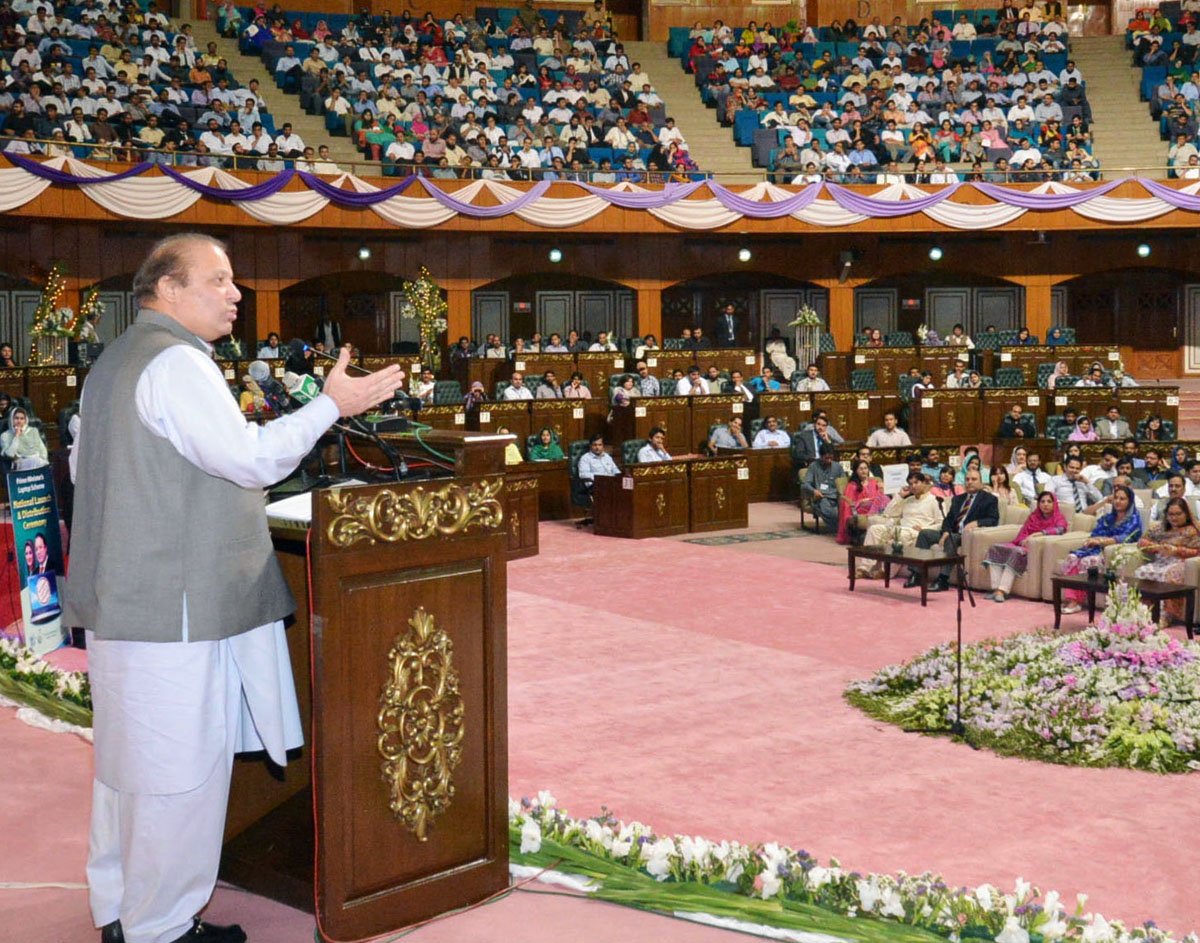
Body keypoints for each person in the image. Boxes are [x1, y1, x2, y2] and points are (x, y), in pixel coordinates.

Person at [66, 233, 404, 943]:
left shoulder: (114, 361)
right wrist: (329, 405)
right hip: (172, 611)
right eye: (217, 279)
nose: (236, 293)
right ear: (166, 288)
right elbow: (248, 459)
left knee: (128, 769)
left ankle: (123, 908)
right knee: (177, 773)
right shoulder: (178, 362)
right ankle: (160, 927)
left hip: (125, 600)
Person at [1057, 484, 1143, 614]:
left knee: (1088, 561)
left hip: (1111, 552)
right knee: (1072, 558)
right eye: (1116, 498)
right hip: (1096, 548)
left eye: (1122, 499)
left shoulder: (1134, 519)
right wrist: (1094, 540)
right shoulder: (1108, 517)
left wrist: (1102, 541)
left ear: (1130, 501)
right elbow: (1095, 533)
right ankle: (1071, 598)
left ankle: (1075, 601)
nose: (1118, 501)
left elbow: (1125, 537)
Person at [912, 466, 1000, 591]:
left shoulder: (989, 499)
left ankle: (943, 579)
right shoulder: (958, 499)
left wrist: (977, 522)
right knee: (925, 534)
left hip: (966, 535)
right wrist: (945, 532)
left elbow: (993, 520)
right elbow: (948, 519)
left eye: (974, 479)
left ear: (981, 482)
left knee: (952, 538)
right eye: (967, 479)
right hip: (952, 533)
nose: (970, 482)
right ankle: (917, 574)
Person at [983, 492, 1068, 602]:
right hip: (1022, 545)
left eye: (1049, 501)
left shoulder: (1058, 517)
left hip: (1035, 549)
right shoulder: (1033, 517)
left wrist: (1039, 534)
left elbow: (1060, 530)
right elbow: (1023, 532)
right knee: (995, 548)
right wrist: (1022, 540)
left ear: (1054, 504)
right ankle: (995, 589)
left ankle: (1002, 590)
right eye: (1042, 502)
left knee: (1016, 553)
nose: (1045, 504)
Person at [859, 472, 942, 578]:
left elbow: (941, 523)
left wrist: (925, 529)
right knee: (874, 529)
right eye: (911, 484)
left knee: (899, 537)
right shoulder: (908, 500)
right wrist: (900, 496)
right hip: (900, 528)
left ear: (924, 483)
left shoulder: (934, 500)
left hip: (916, 532)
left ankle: (886, 572)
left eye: (916, 483)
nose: (913, 486)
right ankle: (865, 568)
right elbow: (888, 513)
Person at [1134, 498, 1200, 625]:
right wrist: (1157, 547)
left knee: (1168, 576)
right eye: (1171, 514)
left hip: (1182, 562)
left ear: (1186, 514)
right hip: (1161, 561)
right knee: (1141, 572)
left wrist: (1176, 550)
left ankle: (1165, 616)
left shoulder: (1194, 530)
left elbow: (1197, 552)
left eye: (1178, 514)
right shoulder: (1160, 528)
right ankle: (1144, 612)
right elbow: (1141, 542)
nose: (1174, 518)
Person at [838, 457, 888, 545]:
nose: (864, 471)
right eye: (860, 469)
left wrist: (881, 489)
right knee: (874, 501)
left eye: (865, 468)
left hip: (876, 506)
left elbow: (881, 496)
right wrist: (862, 501)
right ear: (856, 471)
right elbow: (849, 503)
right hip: (861, 509)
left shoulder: (874, 482)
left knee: (885, 498)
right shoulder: (852, 485)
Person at [802, 442, 840, 531]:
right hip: (821, 497)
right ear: (821, 456)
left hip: (836, 496)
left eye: (831, 458)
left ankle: (841, 528)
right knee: (828, 510)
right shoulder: (813, 466)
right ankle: (839, 529)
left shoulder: (837, 467)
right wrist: (814, 491)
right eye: (826, 458)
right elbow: (805, 484)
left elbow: (843, 483)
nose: (829, 460)